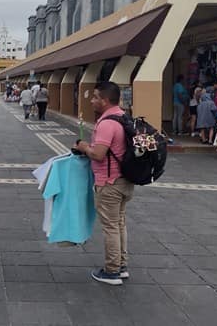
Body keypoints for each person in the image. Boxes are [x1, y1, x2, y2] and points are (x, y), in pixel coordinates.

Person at [75, 81, 132, 286]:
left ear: (105, 100)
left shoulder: (107, 123)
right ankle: (121, 265)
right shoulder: (124, 117)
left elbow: (98, 154)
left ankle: (112, 271)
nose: (92, 100)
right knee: (119, 223)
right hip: (125, 180)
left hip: (109, 182)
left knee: (110, 227)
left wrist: (84, 147)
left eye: (96, 97)